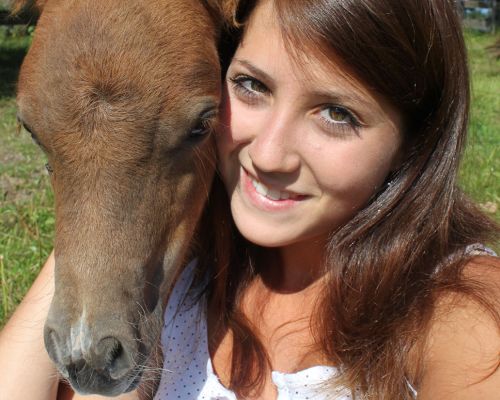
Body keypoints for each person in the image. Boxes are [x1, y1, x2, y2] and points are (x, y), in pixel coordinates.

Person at [1, 0, 499, 399]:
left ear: (414, 138)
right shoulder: (183, 274)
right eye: (251, 85)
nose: (267, 155)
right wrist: (100, 170)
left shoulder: (462, 306)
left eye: (337, 113)